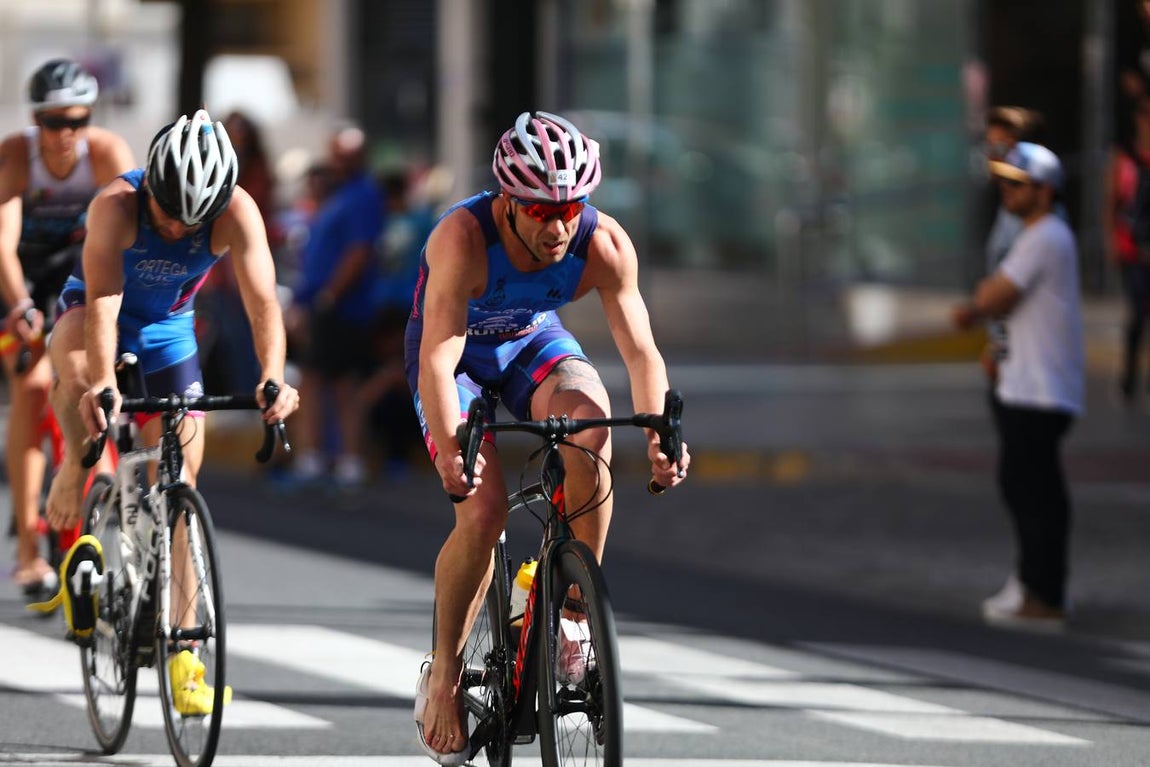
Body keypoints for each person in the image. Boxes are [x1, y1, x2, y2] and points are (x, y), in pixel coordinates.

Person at [405, 110, 690, 762]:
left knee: (592, 431)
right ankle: (445, 671)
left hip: (531, 343)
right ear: (507, 201)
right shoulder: (462, 240)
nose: (557, 224)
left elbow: (642, 353)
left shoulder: (605, 245)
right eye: (539, 209)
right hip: (455, 359)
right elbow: (438, 363)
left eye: (570, 205)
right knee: (481, 512)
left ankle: (569, 614)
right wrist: (454, 449)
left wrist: (659, 433)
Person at [44, 109, 300, 712]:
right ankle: (78, 469)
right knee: (79, 378)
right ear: (150, 185)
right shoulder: (114, 204)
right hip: (97, 314)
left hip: (168, 331)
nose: (178, 224)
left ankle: (185, 652)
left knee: (181, 483)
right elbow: (105, 300)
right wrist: (104, 383)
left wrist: (271, 378)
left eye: (194, 217)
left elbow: (264, 301)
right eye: (167, 210)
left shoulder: (237, 210)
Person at [0, 58, 135, 602]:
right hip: (19, 277)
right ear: (37, 120)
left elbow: (131, 231)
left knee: (95, 376)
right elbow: (2, 243)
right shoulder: (15, 155)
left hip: (77, 273)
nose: (66, 134)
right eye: (54, 122)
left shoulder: (105, 152)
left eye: (77, 121)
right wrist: (22, 305)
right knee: (32, 389)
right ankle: (29, 550)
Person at [951, 142, 1085, 632]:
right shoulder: (1042, 234)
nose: (1006, 191)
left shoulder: (1045, 236)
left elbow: (993, 294)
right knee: (1024, 484)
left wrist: (976, 306)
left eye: (1017, 184)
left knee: (1035, 491)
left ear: (1044, 191)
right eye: (1003, 182)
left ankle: (1045, 593)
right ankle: (1037, 585)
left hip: (1040, 388)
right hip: (1028, 383)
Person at [288, 125, 386, 490]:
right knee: (318, 380)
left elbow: (359, 251)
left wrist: (330, 295)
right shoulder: (340, 194)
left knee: (337, 383)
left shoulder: (362, 195)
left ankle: (344, 461)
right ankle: (320, 458)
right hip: (327, 303)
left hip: (343, 307)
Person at [1103, 94, 1150, 404]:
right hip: (1133, 248)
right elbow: (1111, 203)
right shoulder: (1124, 157)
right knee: (1138, 312)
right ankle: (1130, 378)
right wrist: (1111, 241)